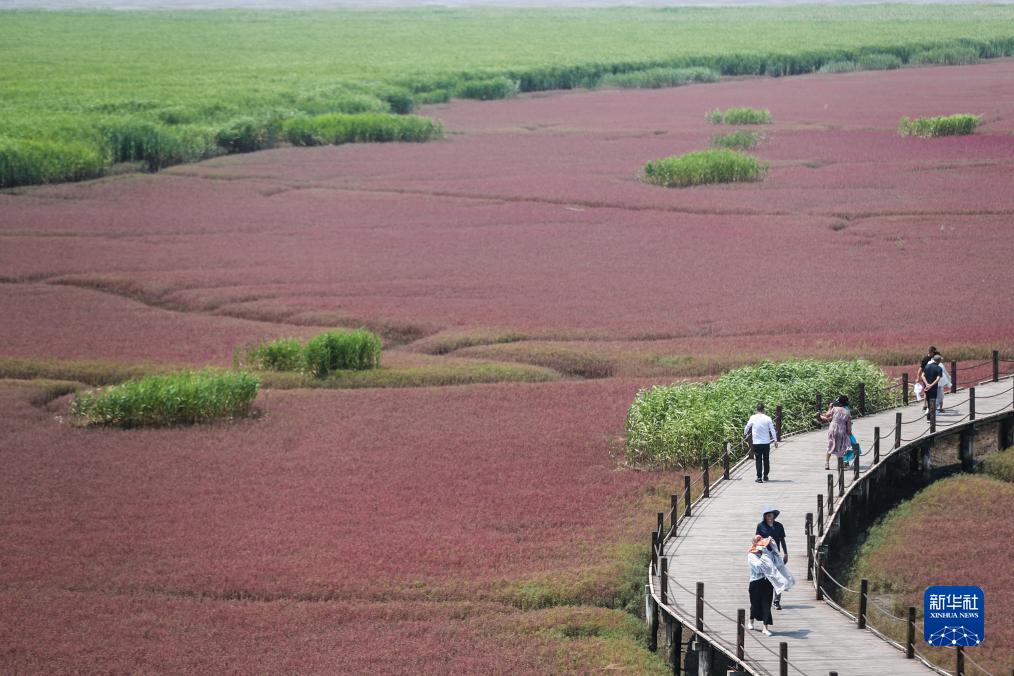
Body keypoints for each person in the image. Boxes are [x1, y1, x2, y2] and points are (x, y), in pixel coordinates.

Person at [747, 535, 794, 636]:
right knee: (755, 605)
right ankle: (751, 620)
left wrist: (773, 549)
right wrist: (765, 556)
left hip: (768, 582)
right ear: (755, 544)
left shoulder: (769, 554)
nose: (762, 544)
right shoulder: (751, 555)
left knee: (766, 604)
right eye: (759, 542)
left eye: (762, 541)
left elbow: (779, 564)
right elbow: (758, 568)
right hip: (756, 582)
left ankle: (765, 627)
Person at [756, 506, 788, 610]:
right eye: (767, 515)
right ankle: (765, 600)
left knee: (778, 577)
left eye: (771, 514)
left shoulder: (779, 526)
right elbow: (758, 541)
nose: (770, 516)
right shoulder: (761, 526)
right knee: (766, 578)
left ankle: (776, 601)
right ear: (765, 516)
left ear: (774, 515)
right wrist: (758, 555)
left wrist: (786, 553)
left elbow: (782, 540)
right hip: (765, 555)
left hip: (776, 554)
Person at [744, 403, 779, 483]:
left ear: (756, 410)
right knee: (766, 459)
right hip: (766, 442)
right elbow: (772, 430)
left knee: (758, 459)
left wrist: (745, 434)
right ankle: (766, 476)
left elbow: (747, 426)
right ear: (763, 410)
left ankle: (759, 477)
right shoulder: (768, 418)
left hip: (756, 442)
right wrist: (775, 440)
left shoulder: (753, 417)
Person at [820, 395, 852, 470]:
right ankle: (839, 465)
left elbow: (827, 415)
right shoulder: (847, 412)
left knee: (830, 445)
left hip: (833, 428)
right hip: (842, 430)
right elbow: (849, 426)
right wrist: (849, 433)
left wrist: (829, 408)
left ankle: (827, 464)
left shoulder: (835, 409)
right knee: (840, 447)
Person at [917, 346, 938, 411]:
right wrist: (918, 377)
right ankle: (925, 405)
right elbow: (920, 368)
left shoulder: (934, 358)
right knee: (927, 390)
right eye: (934, 352)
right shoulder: (925, 359)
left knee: (930, 391)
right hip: (926, 377)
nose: (935, 353)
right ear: (931, 352)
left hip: (932, 377)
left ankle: (929, 405)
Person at [923, 355, 944, 419]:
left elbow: (922, 376)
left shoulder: (927, 366)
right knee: (932, 402)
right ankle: (930, 418)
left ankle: (928, 417)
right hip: (933, 388)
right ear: (939, 361)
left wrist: (927, 384)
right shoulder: (939, 368)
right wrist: (931, 385)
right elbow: (938, 379)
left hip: (927, 388)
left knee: (928, 401)